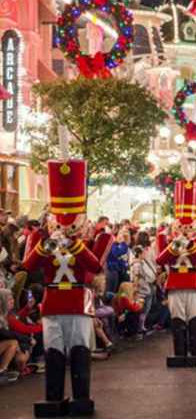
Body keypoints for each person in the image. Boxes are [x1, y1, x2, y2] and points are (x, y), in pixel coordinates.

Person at [23, 158, 103, 416]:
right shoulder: (45, 241)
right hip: (53, 301)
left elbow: (95, 266)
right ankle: (53, 397)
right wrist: (46, 244)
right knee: (53, 349)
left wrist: (76, 244)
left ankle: (81, 396)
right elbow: (28, 264)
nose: (62, 228)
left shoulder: (84, 242)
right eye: (58, 223)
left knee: (79, 346)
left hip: (79, 300)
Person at [156, 177, 196, 368]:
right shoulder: (169, 241)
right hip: (175, 283)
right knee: (177, 318)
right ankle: (180, 352)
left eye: (189, 227)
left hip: (193, 284)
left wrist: (192, 246)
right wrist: (174, 246)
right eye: (182, 227)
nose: (185, 230)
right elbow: (160, 260)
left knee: (195, 316)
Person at [130, 231, 157, 334]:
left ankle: (140, 325)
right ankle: (141, 326)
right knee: (146, 304)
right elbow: (154, 262)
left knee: (141, 304)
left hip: (142, 281)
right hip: (146, 281)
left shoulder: (134, 249)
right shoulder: (149, 250)